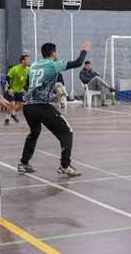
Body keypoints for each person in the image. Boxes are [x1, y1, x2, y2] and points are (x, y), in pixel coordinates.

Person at [17, 41, 91, 177]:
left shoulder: (34, 65)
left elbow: (29, 85)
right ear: (54, 53)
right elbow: (78, 63)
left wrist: (51, 93)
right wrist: (84, 50)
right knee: (67, 132)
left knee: (34, 132)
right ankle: (65, 165)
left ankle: (24, 163)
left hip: (27, 106)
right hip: (40, 106)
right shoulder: (53, 64)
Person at [5, 54, 30, 124]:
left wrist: (28, 89)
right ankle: (7, 118)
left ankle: (12, 113)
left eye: (29, 59)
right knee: (12, 104)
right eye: (27, 59)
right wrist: (9, 88)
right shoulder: (15, 69)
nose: (29, 61)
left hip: (19, 90)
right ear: (22, 61)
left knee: (20, 105)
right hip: (11, 89)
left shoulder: (28, 70)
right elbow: (6, 78)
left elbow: (27, 81)